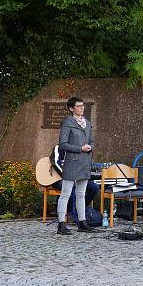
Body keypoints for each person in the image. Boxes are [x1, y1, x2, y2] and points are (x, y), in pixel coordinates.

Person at [56, 97, 95, 234]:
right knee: (65, 194)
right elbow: (63, 144)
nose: (82, 108)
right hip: (72, 162)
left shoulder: (87, 123)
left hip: (85, 162)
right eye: (78, 106)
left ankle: (82, 222)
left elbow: (91, 140)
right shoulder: (68, 122)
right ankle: (61, 224)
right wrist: (80, 148)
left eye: (82, 106)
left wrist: (90, 146)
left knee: (81, 194)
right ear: (71, 108)